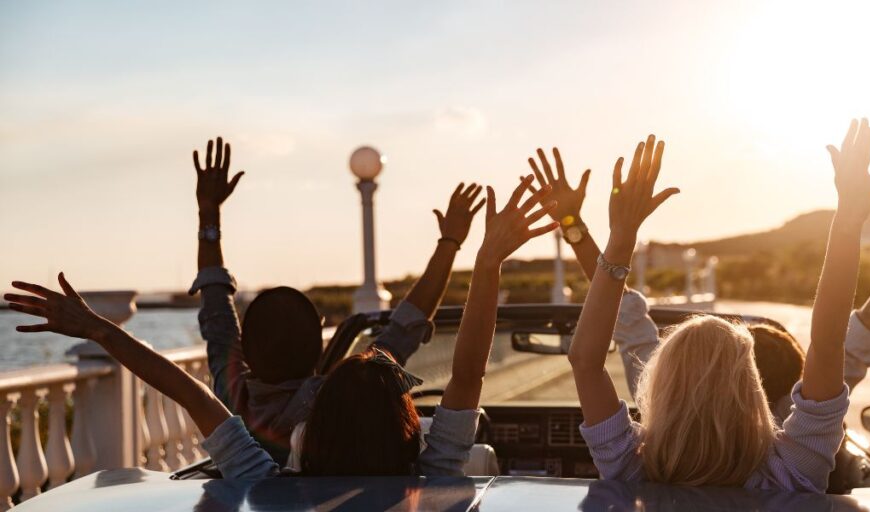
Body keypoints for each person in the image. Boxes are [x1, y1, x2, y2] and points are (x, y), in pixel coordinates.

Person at [4, 175, 558, 479]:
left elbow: (183, 381)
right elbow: (460, 367)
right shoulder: (432, 471)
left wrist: (101, 329)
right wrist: (479, 260)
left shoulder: (258, 464)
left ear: (306, 439)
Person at [524, 143, 870, 421]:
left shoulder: (649, 436)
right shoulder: (795, 458)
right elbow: (839, 341)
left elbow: (615, 327)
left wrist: (583, 229)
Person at [566, 122, 870, 491]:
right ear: (750, 384)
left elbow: (585, 360)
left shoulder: (631, 465)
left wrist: (621, 238)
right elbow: (827, 345)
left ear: (661, 384)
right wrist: (847, 220)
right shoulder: (792, 470)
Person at [188, 137, 484, 463]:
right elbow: (405, 327)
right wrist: (450, 242)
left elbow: (217, 314)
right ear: (320, 341)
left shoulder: (234, 403)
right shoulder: (345, 396)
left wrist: (209, 215)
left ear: (246, 351)